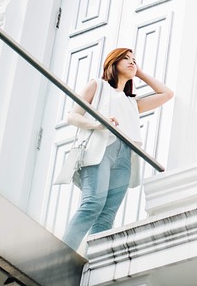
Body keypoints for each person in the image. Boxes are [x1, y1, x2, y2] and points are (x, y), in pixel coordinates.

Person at [60, 47, 173, 250]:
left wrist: (139, 72)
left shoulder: (133, 103)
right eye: (126, 58)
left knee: (106, 216)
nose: (132, 62)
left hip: (124, 158)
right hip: (100, 151)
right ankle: (60, 255)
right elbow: (72, 116)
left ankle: (93, 261)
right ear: (113, 62)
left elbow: (167, 94)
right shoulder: (98, 86)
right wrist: (98, 123)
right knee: (92, 204)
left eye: (134, 60)